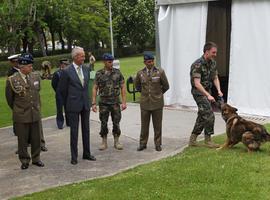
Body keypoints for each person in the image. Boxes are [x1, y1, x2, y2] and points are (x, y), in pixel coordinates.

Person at [5, 53, 45, 170]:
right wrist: (18, 109)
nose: (31, 68)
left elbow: (37, 94)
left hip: (35, 113)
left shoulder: (35, 76)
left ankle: (36, 158)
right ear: (22, 67)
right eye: (29, 66)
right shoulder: (12, 80)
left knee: (36, 138)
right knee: (22, 140)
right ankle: (24, 160)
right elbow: (10, 99)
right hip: (21, 115)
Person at [58, 47, 96, 165]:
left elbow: (91, 81)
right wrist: (67, 104)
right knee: (74, 132)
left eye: (84, 56)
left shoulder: (86, 69)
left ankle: (87, 153)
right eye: (82, 56)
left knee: (86, 130)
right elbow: (62, 91)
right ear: (75, 57)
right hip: (73, 105)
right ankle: (74, 156)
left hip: (85, 104)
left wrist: (92, 65)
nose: (84, 58)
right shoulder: (66, 71)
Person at [189, 42, 223, 148]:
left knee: (202, 115)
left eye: (216, 52)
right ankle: (208, 140)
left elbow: (215, 77)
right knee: (209, 114)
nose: (215, 54)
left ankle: (192, 140)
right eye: (213, 52)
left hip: (208, 92)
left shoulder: (212, 63)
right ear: (206, 52)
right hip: (199, 93)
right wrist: (208, 95)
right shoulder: (197, 64)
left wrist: (219, 90)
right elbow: (197, 84)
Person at [135, 53, 169, 151]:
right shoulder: (140, 73)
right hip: (145, 103)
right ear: (145, 62)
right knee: (144, 125)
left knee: (157, 125)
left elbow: (166, 86)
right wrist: (145, 93)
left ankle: (158, 144)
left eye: (152, 61)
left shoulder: (160, 72)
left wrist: (158, 94)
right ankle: (142, 143)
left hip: (157, 103)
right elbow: (137, 86)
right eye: (149, 61)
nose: (151, 63)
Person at [92, 53, 127, 151]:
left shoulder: (117, 73)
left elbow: (123, 87)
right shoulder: (99, 74)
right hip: (103, 103)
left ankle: (117, 141)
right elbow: (95, 88)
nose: (111, 63)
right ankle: (104, 141)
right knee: (103, 123)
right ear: (104, 62)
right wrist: (94, 103)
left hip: (115, 102)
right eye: (109, 61)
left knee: (116, 122)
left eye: (112, 61)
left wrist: (124, 102)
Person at [51, 59, 70, 129]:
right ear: (62, 65)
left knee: (68, 108)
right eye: (65, 64)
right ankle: (60, 123)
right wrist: (58, 91)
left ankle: (69, 122)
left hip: (67, 93)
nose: (67, 66)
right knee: (59, 109)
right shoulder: (57, 73)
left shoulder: (68, 72)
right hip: (59, 94)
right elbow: (53, 84)